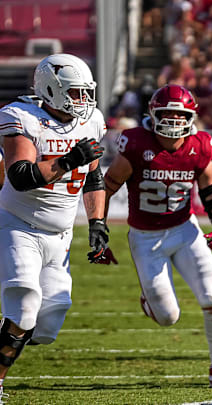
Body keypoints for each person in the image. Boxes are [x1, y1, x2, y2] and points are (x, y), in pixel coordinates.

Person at [102, 84, 212, 390]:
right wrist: (100, 227)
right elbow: (107, 187)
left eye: (180, 115)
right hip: (146, 238)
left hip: (185, 230)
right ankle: (150, 298)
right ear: (153, 114)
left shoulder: (200, 145)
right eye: (168, 114)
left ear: (191, 116)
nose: (175, 121)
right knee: (168, 318)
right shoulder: (136, 143)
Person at [0, 53, 109, 400]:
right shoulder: (21, 117)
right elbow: (21, 177)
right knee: (25, 307)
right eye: (75, 93)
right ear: (50, 89)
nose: (84, 101)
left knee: (46, 324)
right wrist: (67, 161)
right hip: (19, 226)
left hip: (61, 235)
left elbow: (94, 178)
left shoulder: (91, 120)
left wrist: (97, 222)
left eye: (86, 93)